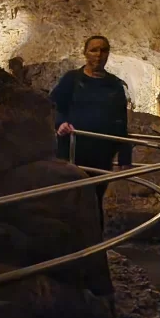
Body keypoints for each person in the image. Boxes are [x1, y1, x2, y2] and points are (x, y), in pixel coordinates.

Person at [50, 35, 132, 232]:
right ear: (85, 52)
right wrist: (60, 123)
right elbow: (53, 106)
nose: (98, 54)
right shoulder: (72, 79)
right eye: (94, 50)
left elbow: (121, 121)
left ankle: (93, 248)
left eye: (103, 50)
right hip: (72, 149)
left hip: (101, 152)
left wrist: (124, 155)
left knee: (95, 198)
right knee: (70, 196)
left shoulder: (114, 85)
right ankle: (65, 246)